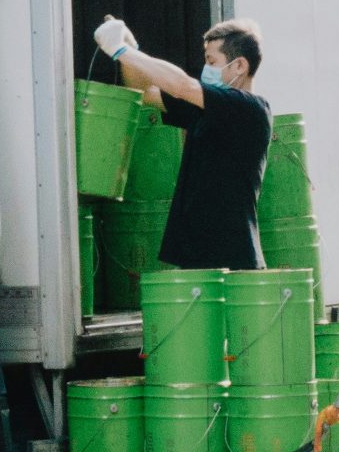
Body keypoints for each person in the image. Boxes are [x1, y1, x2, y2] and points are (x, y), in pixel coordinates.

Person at [94, 15, 273, 271]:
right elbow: (146, 92)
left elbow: (181, 85)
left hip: (233, 258)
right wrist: (130, 49)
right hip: (197, 256)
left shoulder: (249, 109)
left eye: (212, 61)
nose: (205, 68)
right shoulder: (204, 111)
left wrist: (120, 51)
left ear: (240, 65)